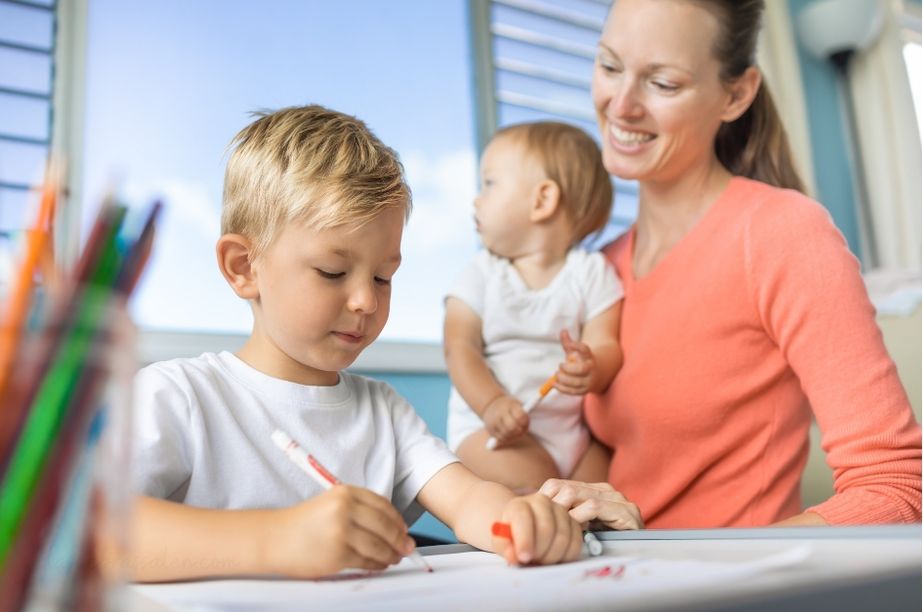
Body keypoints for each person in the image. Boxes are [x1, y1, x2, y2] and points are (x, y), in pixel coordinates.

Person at [125, 105, 589, 582]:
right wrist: (279, 539)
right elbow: (94, 531)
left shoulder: (384, 413)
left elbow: (469, 499)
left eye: (383, 277)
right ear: (244, 267)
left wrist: (518, 519)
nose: (367, 300)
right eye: (332, 272)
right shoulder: (177, 397)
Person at [541, 0, 921, 528]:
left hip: (726, 574)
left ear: (736, 94)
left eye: (663, 83)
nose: (621, 105)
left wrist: (689, 560)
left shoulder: (782, 234)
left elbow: (897, 488)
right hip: (615, 570)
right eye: (609, 66)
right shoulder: (600, 269)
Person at [444, 121, 623, 492]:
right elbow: (458, 347)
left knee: (607, 489)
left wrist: (591, 367)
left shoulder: (592, 272)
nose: (477, 199)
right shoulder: (482, 272)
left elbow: (606, 344)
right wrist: (492, 404)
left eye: (489, 183)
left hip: (571, 437)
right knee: (543, 488)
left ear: (542, 200)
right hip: (491, 430)